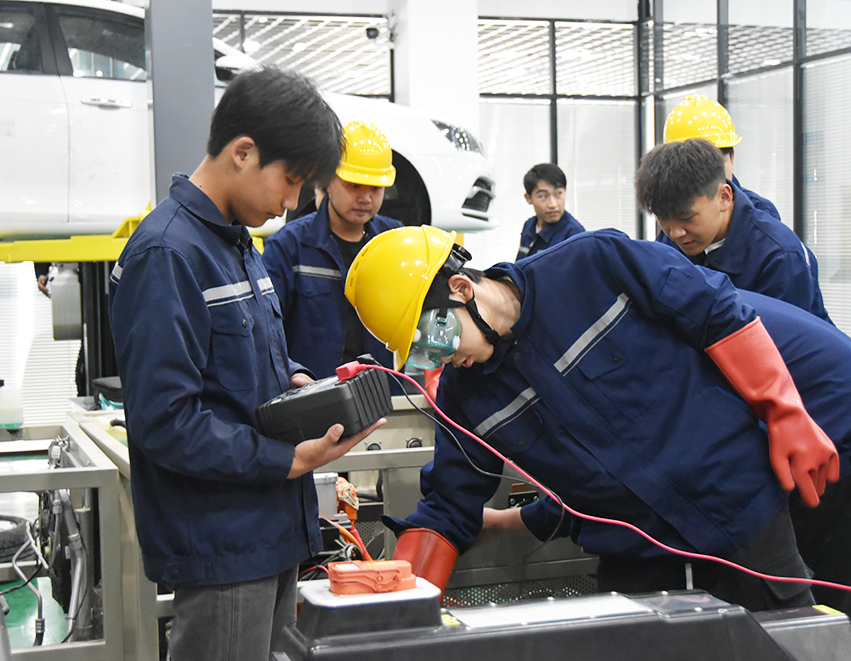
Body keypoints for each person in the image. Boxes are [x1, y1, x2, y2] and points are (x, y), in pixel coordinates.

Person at [344, 225, 839, 613]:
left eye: (435, 340)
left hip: (740, 511)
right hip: (637, 560)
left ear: (460, 288)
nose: (441, 360)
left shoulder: (594, 265)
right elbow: (449, 506)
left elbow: (715, 312)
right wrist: (399, 605)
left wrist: (783, 409)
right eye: (421, 355)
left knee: (786, 643)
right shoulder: (464, 398)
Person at [109, 67, 385, 661]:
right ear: (243, 152)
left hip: (272, 531)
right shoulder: (168, 254)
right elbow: (165, 422)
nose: (290, 204)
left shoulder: (236, 243)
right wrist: (288, 459)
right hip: (223, 545)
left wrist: (295, 379)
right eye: (290, 181)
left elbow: (245, 358)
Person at [262, 120, 403, 379]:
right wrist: (291, 374)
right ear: (327, 181)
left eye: (375, 188)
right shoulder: (289, 246)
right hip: (312, 393)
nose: (365, 198)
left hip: (383, 392)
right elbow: (263, 331)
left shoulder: (395, 242)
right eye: (354, 185)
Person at [636, 138, 832, 324]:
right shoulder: (672, 242)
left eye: (687, 218)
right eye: (663, 219)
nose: (676, 233)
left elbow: (784, 340)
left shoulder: (780, 257)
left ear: (724, 197)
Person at [663, 94, 780, 219]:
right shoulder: (670, 212)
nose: (705, 178)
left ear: (732, 159)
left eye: (714, 165)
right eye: (693, 168)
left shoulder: (760, 212)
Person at [516, 163, 584, 261]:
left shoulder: (575, 234)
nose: (553, 204)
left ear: (565, 191)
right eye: (543, 196)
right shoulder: (529, 225)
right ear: (528, 198)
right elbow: (520, 265)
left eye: (558, 193)